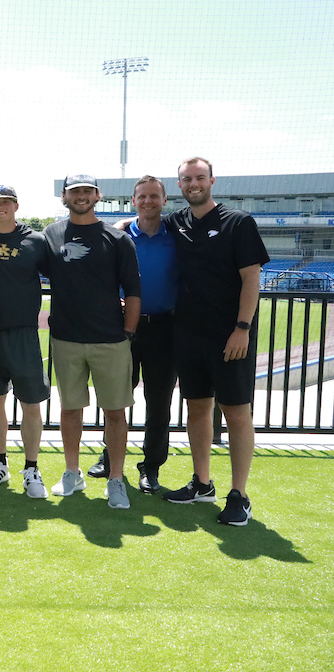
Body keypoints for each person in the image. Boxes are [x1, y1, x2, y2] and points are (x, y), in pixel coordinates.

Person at [159, 157, 268, 526]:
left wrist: (242, 327)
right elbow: (142, 222)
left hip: (230, 336)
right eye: (187, 178)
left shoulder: (238, 222)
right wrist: (122, 223)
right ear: (179, 185)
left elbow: (251, 279)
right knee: (197, 408)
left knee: (236, 412)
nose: (194, 183)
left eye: (200, 177)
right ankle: (202, 483)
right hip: (188, 333)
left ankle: (239, 495)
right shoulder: (176, 221)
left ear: (212, 181)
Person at [41, 174, 141, 509]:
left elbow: (133, 290)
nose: (81, 196)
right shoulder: (51, 234)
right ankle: (72, 471)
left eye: (87, 190)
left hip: (110, 340)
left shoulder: (118, 239)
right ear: (64, 197)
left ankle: (116, 479)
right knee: (70, 409)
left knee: (115, 412)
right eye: (74, 191)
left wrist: (127, 332)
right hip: (66, 338)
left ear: (97, 195)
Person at [89, 175, 178, 494]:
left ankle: (151, 466)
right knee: (116, 397)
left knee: (159, 401)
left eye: (154, 196)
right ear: (134, 200)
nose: (148, 201)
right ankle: (110, 456)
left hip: (164, 328)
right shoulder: (121, 234)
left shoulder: (177, 234)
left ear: (164, 200)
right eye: (142, 196)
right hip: (124, 326)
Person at [0, 184, 51, 498]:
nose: (0, 206)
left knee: (31, 403)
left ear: (16, 206)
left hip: (23, 333)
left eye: (6, 201)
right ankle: (0, 463)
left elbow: (61, 276)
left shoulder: (35, 241)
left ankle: (32, 468)